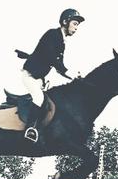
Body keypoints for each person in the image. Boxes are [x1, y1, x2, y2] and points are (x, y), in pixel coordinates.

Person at [15, 8, 85, 142]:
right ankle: (30, 129)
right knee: (39, 98)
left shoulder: (62, 43)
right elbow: (52, 58)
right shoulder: (53, 34)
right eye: (75, 23)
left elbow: (59, 68)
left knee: (49, 102)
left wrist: (74, 77)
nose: (76, 28)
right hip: (30, 75)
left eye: (78, 25)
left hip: (39, 78)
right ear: (65, 22)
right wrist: (70, 73)